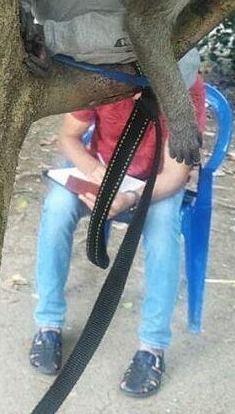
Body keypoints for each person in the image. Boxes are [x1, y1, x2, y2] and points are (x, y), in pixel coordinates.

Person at [28, 53, 206, 398]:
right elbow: (69, 139)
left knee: (164, 228)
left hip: (154, 182)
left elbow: (175, 173)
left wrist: (130, 198)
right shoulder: (105, 77)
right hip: (104, 171)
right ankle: (48, 323)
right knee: (56, 208)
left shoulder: (187, 88)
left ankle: (152, 347)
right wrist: (96, 173)